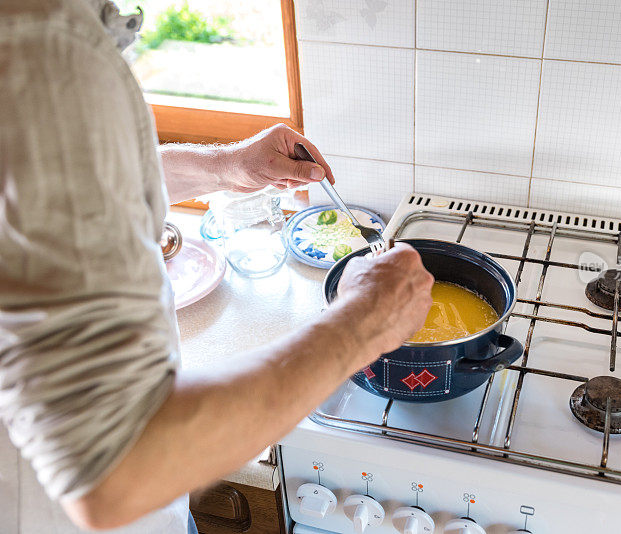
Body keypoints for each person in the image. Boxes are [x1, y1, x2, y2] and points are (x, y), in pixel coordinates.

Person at [0, 0, 434, 532]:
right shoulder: (41, 49)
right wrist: (365, 324)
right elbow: (114, 471)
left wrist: (227, 167)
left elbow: (66, 192)